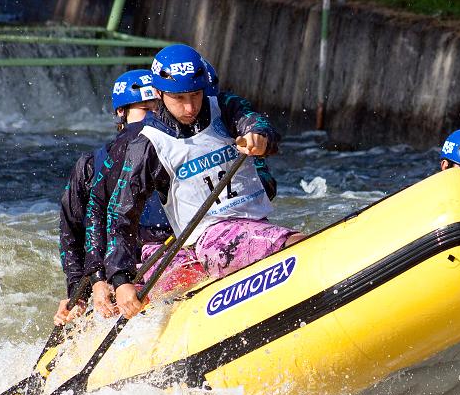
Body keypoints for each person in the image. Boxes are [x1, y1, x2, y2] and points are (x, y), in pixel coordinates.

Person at [105, 44, 301, 319]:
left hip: (254, 223)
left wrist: (259, 136)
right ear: (159, 94)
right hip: (210, 236)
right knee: (296, 243)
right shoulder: (146, 144)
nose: (189, 107)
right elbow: (121, 214)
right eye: (179, 98)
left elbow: (256, 123)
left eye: (195, 95)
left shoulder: (224, 106)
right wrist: (120, 279)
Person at [55, 69, 160, 325]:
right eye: (144, 110)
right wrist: (81, 288)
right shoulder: (90, 166)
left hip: (160, 253)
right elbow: (73, 234)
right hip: (115, 266)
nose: (152, 119)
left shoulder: (172, 150)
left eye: (158, 110)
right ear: (121, 113)